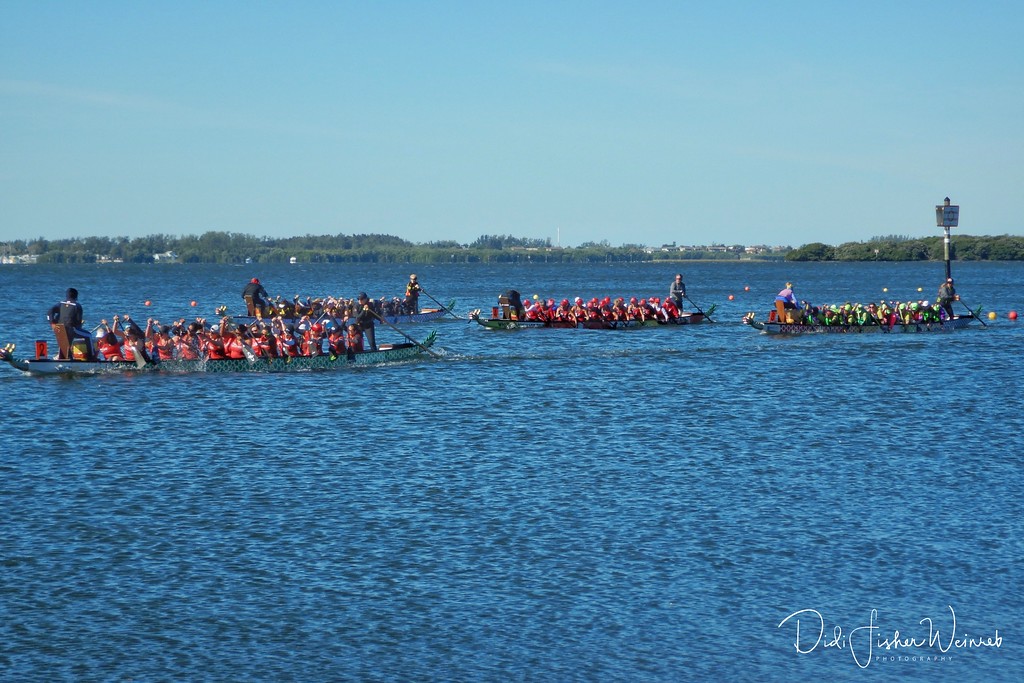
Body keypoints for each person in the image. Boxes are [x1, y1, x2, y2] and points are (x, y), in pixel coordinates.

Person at [47, 287, 95, 360]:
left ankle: (66, 358)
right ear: (76, 296)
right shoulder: (77, 306)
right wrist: (79, 325)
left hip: (59, 329)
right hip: (71, 329)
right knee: (88, 335)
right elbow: (78, 321)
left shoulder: (60, 304)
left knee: (65, 343)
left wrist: (52, 323)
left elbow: (49, 312)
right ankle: (91, 358)